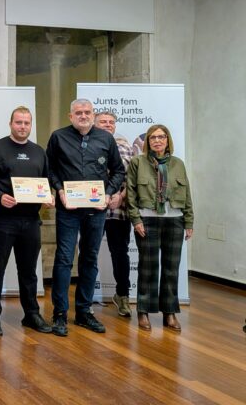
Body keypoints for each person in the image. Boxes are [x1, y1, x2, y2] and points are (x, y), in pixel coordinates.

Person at [46, 99, 125, 337]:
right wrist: (59, 189)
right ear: (70, 116)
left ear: (93, 115)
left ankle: (83, 311)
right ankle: (59, 314)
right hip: (67, 209)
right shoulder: (58, 137)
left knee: (89, 259)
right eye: (78, 112)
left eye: (87, 112)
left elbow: (119, 170)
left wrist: (109, 193)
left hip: (96, 210)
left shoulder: (106, 139)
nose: (83, 116)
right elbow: (49, 168)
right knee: (64, 259)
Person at [0, 106, 52, 336]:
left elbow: (46, 181)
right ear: (11, 123)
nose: (22, 127)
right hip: (2, 221)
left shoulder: (39, 152)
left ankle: (31, 314)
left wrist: (47, 197)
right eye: (19, 122)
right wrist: (0, 197)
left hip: (31, 220)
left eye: (26, 123)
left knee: (29, 271)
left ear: (31, 125)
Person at [126, 124, 193, 332]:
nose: (157, 141)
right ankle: (143, 311)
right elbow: (130, 193)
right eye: (153, 137)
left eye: (161, 137)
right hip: (147, 221)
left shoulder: (178, 164)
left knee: (171, 268)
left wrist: (189, 221)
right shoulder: (138, 162)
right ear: (147, 141)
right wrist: (136, 219)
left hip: (175, 221)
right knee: (148, 267)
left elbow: (187, 193)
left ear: (167, 140)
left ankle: (169, 313)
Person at [94, 111, 133, 318]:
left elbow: (131, 177)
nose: (108, 125)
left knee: (120, 254)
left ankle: (122, 295)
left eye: (111, 122)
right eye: (103, 121)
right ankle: (86, 297)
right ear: (94, 123)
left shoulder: (124, 145)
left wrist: (122, 196)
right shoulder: (86, 144)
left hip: (118, 210)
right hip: (92, 208)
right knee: (88, 253)